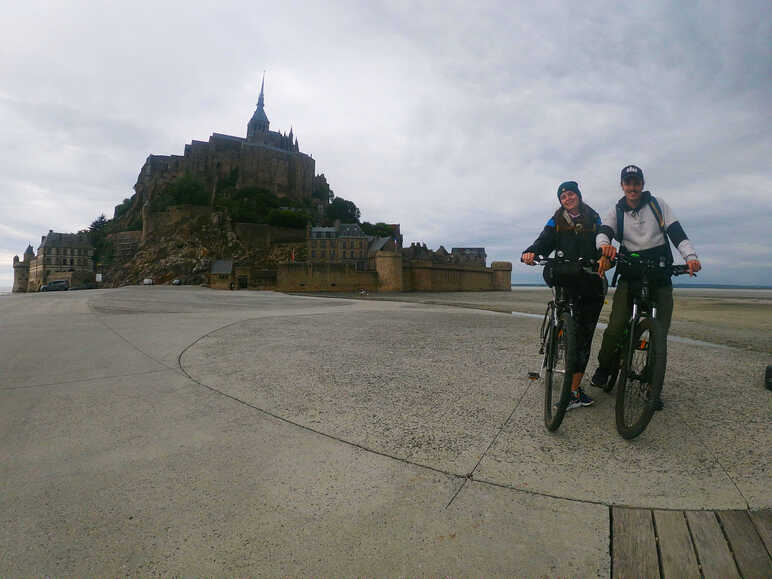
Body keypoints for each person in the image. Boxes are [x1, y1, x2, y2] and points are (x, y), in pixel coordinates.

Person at [591, 165, 701, 408]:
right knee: (616, 325)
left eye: (636, 182)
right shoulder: (616, 210)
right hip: (630, 274)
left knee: (659, 333)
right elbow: (603, 232)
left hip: (659, 274)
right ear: (622, 185)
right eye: (628, 183)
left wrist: (690, 257)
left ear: (642, 184)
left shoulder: (658, 205)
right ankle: (605, 367)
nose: (632, 187)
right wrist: (604, 246)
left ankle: (652, 386)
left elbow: (677, 233)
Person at [522, 181, 606, 410]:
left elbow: (602, 239)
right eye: (563, 196)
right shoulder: (556, 219)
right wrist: (531, 252)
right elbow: (544, 239)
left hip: (588, 278)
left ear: (578, 195)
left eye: (571, 194)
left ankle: (574, 390)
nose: (567, 199)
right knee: (569, 321)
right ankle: (558, 332)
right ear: (560, 200)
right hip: (564, 275)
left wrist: (602, 257)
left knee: (584, 336)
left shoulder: (594, 217)